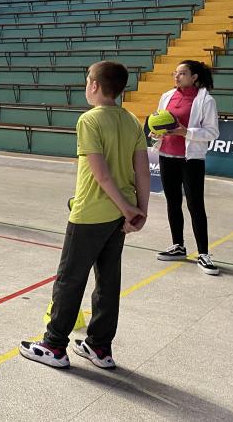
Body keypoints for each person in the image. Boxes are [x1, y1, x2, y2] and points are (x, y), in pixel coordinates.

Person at [19, 61, 150, 370]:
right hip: (120, 218)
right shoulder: (131, 120)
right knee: (108, 279)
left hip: (91, 212)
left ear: (94, 86)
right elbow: (143, 171)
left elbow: (101, 175)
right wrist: (138, 210)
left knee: (70, 279)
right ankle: (100, 347)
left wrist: (127, 209)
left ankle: (53, 345)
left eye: (87, 81)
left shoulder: (89, 120)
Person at [152, 60, 220, 275]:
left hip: (191, 160)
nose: (177, 76)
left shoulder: (206, 101)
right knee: (172, 202)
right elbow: (159, 121)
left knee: (195, 205)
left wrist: (186, 132)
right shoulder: (166, 96)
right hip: (166, 155)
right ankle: (178, 246)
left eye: (182, 73)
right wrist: (156, 133)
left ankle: (204, 253)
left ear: (194, 77)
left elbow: (212, 132)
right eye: (176, 73)